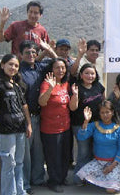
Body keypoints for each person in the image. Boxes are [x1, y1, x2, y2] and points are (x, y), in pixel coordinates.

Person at [0, 54, 32, 195]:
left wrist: (28, 124)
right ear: (2, 65)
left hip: (20, 128)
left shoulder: (17, 84)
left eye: (16, 65)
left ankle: (20, 191)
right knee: (8, 163)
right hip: (6, 130)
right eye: (10, 64)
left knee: (19, 162)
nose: (13, 68)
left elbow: (24, 106)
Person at [19, 40, 56, 193]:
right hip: (24, 118)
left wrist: (48, 50)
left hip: (40, 116)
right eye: (27, 52)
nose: (31, 55)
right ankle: (25, 184)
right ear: (21, 54)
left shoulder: (40, 68)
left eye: (34, 52)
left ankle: (38, 179)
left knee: (38, 151)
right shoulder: (18, 71)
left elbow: (58, 63)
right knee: (25, 154)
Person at [38, 58, 78, 193]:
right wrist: (49, 88)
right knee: (53, 157)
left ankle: (62, 178)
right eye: (57, 67)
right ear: (52, 69)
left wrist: (75, 96)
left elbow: (71, 107)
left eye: (62, 67)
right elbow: (42, 102)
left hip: (65, 127)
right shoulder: (46, 83)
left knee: (65, 155)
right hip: (50, 128)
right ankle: (53, 181)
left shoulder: (66, 84)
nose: (60, 70)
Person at [76, 101, 120, 193]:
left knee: (110, 190)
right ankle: (106, 179)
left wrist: (111, 167)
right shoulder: (95, 125)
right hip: (98, 162)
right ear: (99, 114)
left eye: (107, 112)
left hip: (114, 163)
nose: (105, 115)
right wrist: (86, 121)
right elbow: (81, 137)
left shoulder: (119, 129)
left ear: (112, 112)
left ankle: (112, 179)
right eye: (102, 112)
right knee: (81, 175)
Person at [70, 63, 105, 186]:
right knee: (83, 152)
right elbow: (72, 108)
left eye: (92, 73)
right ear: (81, 75)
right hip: (81, 124)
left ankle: (90, 177)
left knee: (93, 151)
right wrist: (75, 95)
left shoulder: (99, 87)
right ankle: (78, 178)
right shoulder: (77, 87)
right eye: (87, 73)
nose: (90, 76)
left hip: (96, 124)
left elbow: (103, 104)